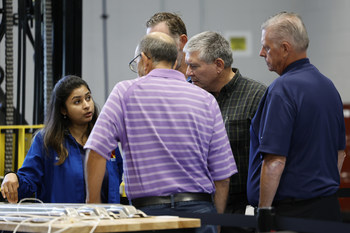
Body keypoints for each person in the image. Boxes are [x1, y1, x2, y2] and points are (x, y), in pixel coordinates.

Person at [84, 32, 237, 233]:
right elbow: (223, 176)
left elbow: (96, 150)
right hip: (200, 212)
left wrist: (93, 205)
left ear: (145, 60)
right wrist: (213, 223)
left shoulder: (125, 92)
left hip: (149, 215)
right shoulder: (206, 100)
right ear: (175, 62)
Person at [247, 11, 346, 223]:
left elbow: (274, 160)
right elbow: (340, 155)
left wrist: (264, 212)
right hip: (327, 209)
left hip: (292, 215)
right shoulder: (328, 87)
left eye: (266, 47)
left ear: (284, 48)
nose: (261, 53)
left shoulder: (282, 89)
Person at [184, 31, 266, 233]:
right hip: (196, 204)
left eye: (194, 66)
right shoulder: (189, 96)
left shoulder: (257, 96)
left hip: (240, 211)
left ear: (219, 65)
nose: (187, 72)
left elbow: (269, 158)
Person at [0, 75, 123, 203]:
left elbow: (117, 171)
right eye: (77, 101)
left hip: (106, 219)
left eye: (88, 98)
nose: (86, 105)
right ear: (63, 110)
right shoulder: (46, 141)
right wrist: (12, 176)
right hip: (63, 221)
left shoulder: (106, 137)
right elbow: (28, 182)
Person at [146, 12, 188, 78]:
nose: (154, 52)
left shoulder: (200, 83)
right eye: (150, 44)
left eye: (161, 43)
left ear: (182, 41)